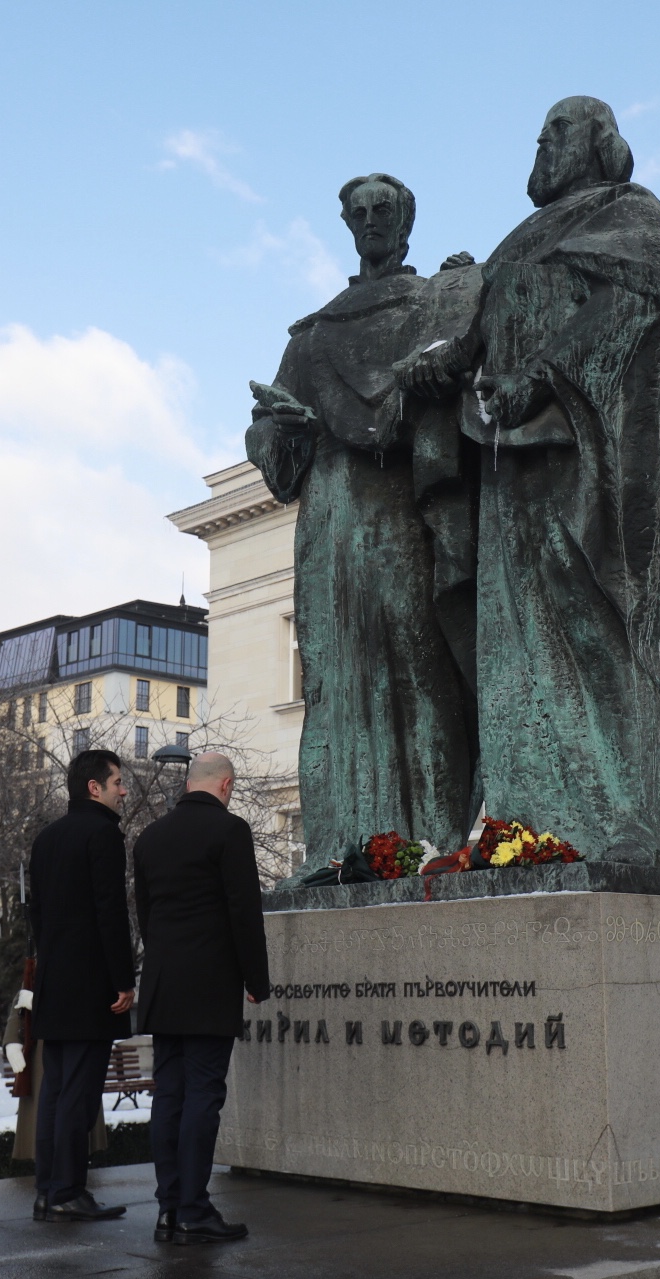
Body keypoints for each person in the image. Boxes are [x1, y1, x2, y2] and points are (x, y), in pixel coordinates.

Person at [397, 97, 660, 863]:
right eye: (540, 134)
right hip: (509, 459)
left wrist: (543, 373)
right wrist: (447, 358)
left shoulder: (633, 214)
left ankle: (617, 825)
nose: (543, 145)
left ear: (600, 144)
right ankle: (529, 826)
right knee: (517, 639)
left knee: (590, 619)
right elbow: (480, 332)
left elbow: (632, 312)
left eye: (558, 132)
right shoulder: (520, 239)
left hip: (586, 459)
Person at [245, 173, 481, 876]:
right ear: (347, 224)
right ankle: (348, 844)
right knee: (337, 679)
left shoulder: (430, 303)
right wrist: (275, 430)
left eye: (385, 209)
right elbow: (271, 441)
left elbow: (460, 391)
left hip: (399, 508)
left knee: (417, 667)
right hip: (330, 516)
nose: (373, 220)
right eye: (360, 211)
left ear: (405, 221)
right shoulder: (312, 334)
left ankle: (437, 840)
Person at [132, 751, 271, 1245]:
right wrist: (257, 979)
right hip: (210, 983)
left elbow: (146, 916)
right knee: (203, 1096)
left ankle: (169, 1207)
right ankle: (194, 1208)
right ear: (226, 785)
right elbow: (243, 911)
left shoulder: (149, 837)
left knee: (168, 1095)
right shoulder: (229, 832)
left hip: (164, 984)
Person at [27, 749, 136, 1223]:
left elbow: (35, 915)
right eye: (117, 783)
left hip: (54, 983)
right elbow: (110, 912)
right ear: (95, 788)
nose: (124, 790)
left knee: (55, 1091)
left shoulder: (46, 838)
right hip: (92, 985)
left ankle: (49, 1189)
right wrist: (123, 980)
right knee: (80, 1094)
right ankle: (69, 1191)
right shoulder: (104, 834)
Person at [1, 1002, 107, 1168]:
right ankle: (50, 1174)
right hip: (43, 1048)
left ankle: (70, 1173)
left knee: (77, 1111)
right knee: (45, 1115)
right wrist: (12, 1041)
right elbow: (21, 1002)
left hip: (78, 1039)